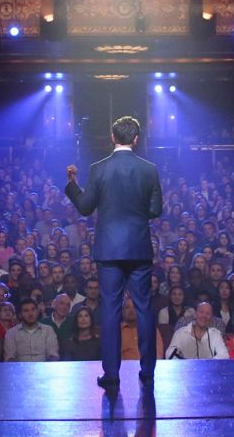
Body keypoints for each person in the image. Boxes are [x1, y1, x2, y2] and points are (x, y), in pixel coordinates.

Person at [64, 116, 164, 394]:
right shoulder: (149, 169)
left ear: (112, 137)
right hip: (138, 247)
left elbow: (85, 207)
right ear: (135, 139)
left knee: (110, 310)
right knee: (144, 308)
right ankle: (147, 372)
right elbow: (155, 210)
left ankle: (111, 374)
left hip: (108, 249)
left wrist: (73, 184)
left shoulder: (98, 169)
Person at [165, 302, 229, 360]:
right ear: (195, 315)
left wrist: (206, 364)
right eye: (201, 312)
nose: (204, 316)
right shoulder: (181, 332)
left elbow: (224, 355)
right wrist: (184, 364)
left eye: (208, 313)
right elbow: (169, 354)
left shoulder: (215, 334)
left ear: (211, 318)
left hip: (208, 370)